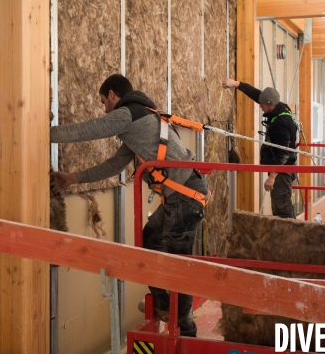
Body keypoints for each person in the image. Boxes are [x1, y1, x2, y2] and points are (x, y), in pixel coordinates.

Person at [50, 74, 208, 337]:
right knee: (150, 240)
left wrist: (42, 133)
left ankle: (186, 331)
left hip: (185, 194)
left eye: (103, 101)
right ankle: (164, 303)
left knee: (179, 264)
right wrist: (74, 178)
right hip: (182, 193)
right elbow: (115, 164)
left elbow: (89, 129)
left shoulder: (127, 114)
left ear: (112, 95)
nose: (104, 109)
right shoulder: (142, 119)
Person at [222, 78, 298, 219]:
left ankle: (288, 237)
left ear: (270, 105)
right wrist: (236, 84)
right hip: (282, 167)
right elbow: (257, 94)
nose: (260, 106)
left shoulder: (280, 123)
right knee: (281, 205)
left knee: (282, 207)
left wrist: (272, 177)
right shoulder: (280, 106)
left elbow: (283, 154)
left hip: (282, 170)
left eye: (262, 105)